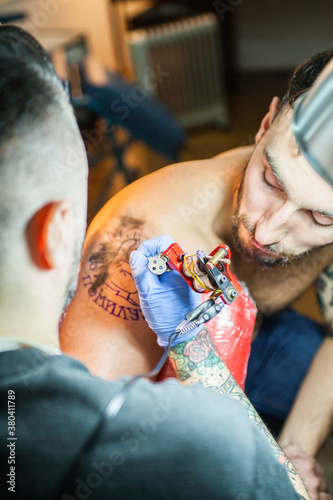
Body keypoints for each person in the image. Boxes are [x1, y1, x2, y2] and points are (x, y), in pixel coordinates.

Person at [0, 25, 310, 500]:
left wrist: (295, 443)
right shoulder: (205, 441)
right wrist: (196, 354)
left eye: (320, 217)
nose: (266, 232)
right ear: (59, 231)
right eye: (271, 179)